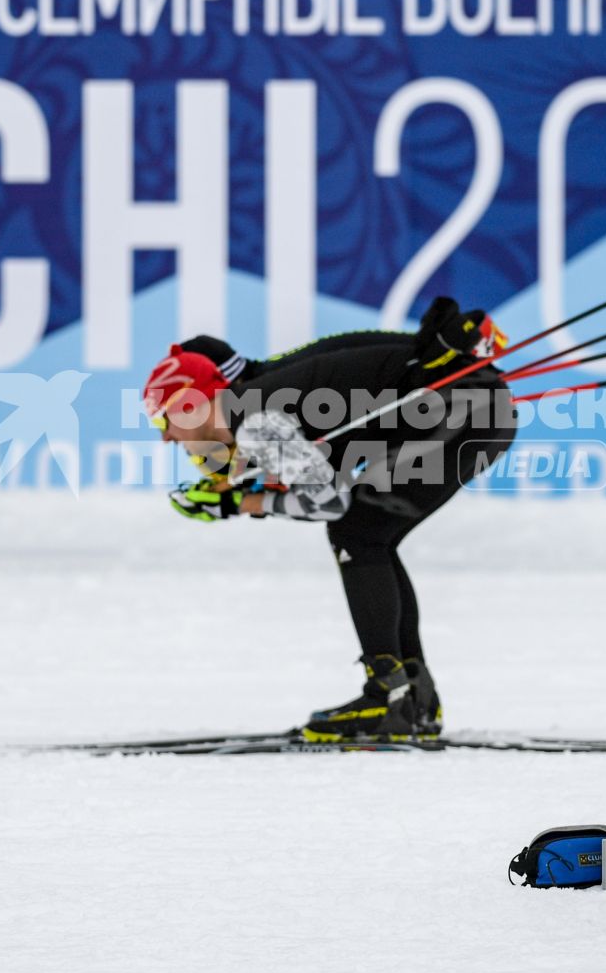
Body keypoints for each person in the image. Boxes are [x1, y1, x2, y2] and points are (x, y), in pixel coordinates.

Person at [144, 302, 517, 741]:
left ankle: (392, 697)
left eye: (162, 418)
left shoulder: (253, 420)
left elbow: (326, 504)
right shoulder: (259, 408)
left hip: (464, 411)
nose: (166, 436)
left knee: (358, 533)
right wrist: (246, 494)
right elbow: (321, 483)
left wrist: (240, 505)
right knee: (370, 535)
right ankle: (412, 698)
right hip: (477, 410)